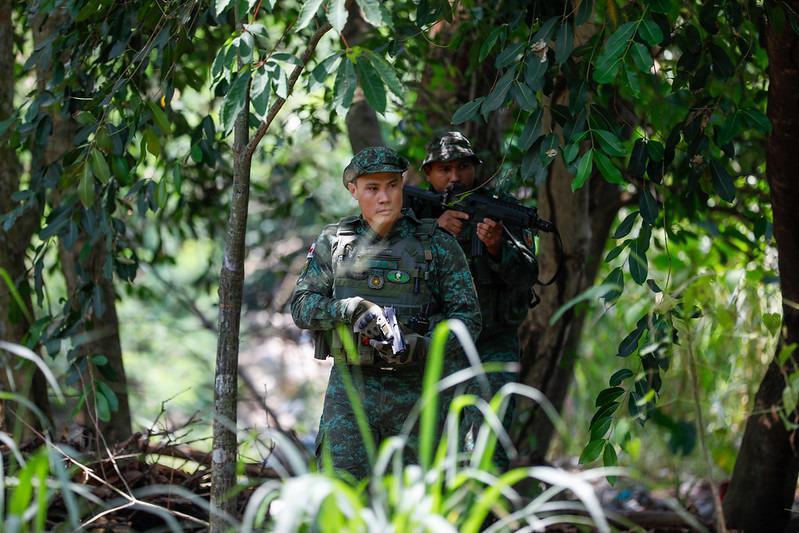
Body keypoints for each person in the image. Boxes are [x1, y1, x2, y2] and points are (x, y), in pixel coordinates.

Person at [291, 146, 481, 479]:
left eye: (392, 186)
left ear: (403, 185)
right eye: (373, 188)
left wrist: (420, 345)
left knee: (414, 505)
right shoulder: (334, 243)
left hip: (417, 395)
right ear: (353, 191)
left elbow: (468, 319)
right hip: (351, 392)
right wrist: (347, 308)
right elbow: (301, 307)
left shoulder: (437, 246)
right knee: (342, 497)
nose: (384, 197)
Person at [420, 131, 539, 471]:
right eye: (444, 169)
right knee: (437, 447)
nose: (454, 177)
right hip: (434, 347)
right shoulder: (412, 216)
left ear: (476, 168)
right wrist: (434, 233)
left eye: (462, 167)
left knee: (491, 442)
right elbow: (387, 269)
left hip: (493, 343)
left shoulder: (501, 209)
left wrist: (497, 247)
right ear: (428, 174)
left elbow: (529, 274)